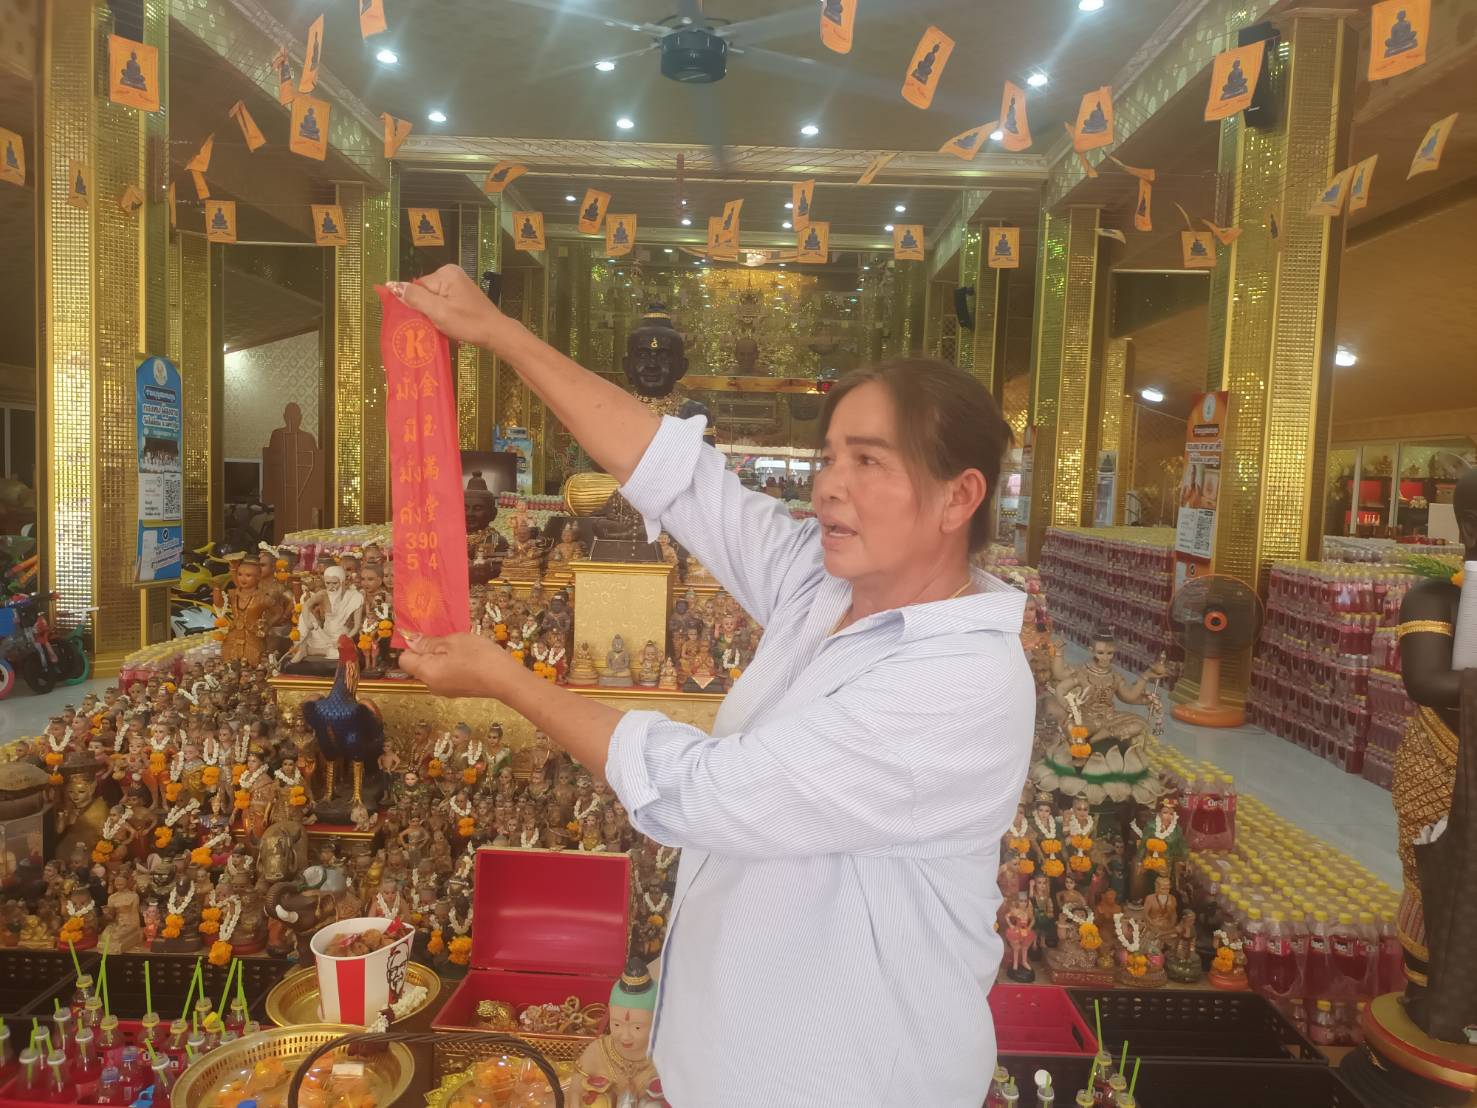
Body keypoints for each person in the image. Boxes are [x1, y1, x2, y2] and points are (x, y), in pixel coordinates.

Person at [391, 265, 1031, 1108]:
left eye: (868, 461)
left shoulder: (961, 683)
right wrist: (500, 334)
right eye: (829, 457)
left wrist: (507, 681)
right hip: (726, 1064)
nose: (829, 484)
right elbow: (679, 476)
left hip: (849, 1081)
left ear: (958, 498)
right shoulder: (823, 586)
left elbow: (701, 792)